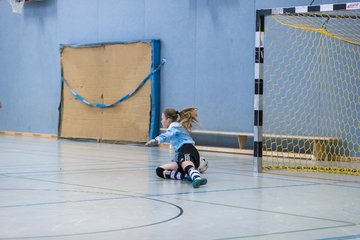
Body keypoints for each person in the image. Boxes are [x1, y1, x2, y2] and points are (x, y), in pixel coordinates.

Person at [146, 107, 207, 188]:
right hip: (182, 154)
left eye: (162, 118)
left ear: (168, 119)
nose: (161, 121)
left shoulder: (174, 125)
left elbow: (167, 135)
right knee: (160, 170)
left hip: (187, 149)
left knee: (188, 166)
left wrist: (157, 140)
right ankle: (185, 176)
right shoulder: (175, 126)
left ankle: (197, 178)